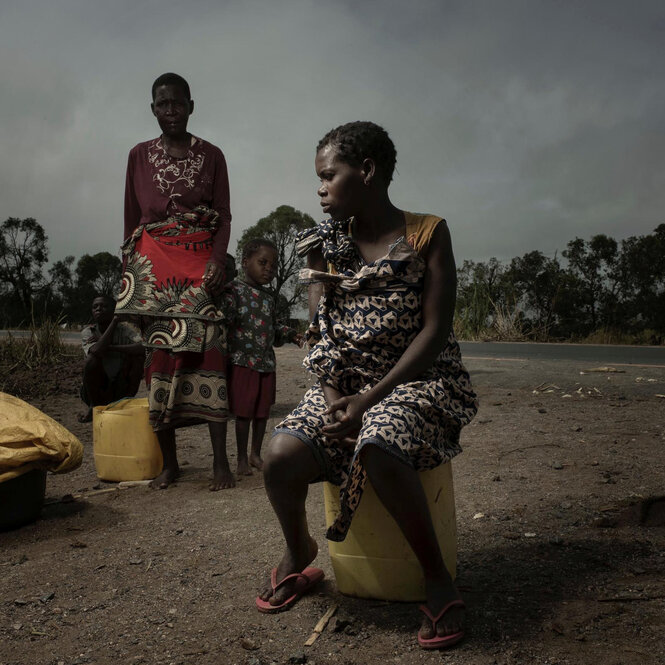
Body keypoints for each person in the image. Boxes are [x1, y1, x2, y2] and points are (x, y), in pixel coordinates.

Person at [256, 122, 478, 650]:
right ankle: (299, 552)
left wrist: (369, 401)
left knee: (379, 439)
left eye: (329, 176)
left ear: (369, 171)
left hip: (419, 382)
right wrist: (337, 403)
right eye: (319, 179)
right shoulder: (322, 246)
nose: (320, 188)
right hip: (342, 386)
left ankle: (437, 579)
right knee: (279, 454)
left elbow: (435, 331)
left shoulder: (427, 233)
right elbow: (321, 337)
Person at [115, 72, 232, 491]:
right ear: (153, 109)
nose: (170, 112)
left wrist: (217, 261)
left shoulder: (213, 155)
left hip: (200, 263)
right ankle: (171, 464)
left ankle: (221, 463)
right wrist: (130, 268)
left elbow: (224, 214)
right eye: (162, 104)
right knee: (157, 359)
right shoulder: (137, 155)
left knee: (209, 349)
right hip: (153, 267)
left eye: (177, 103)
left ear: (190, 106)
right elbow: (132, 216)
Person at [224, 239, 303, 482]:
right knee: (244, 412)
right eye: (262, 262)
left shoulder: (270, 298)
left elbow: (274, 328)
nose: (269, 268)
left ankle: (255, 455)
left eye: (273, 265)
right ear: (245, 262)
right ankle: (239, 458)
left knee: (261, 412)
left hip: (266, 362)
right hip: (242, 361)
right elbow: (225, 320)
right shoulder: (233, 291)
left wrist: (292, 334)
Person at [78, 295, 144, 423]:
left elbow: (143, 347)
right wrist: (114, 322)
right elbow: (97, 351)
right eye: (95, 307)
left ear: (114, 311)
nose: (98, 309)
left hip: (119, 388)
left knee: (138, 358)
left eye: (104, 306)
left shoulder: (124, 330)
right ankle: (93, 407)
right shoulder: (88, 332)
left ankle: (126, 402)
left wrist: (111, 346)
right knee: (91, 360)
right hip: (96, 392)